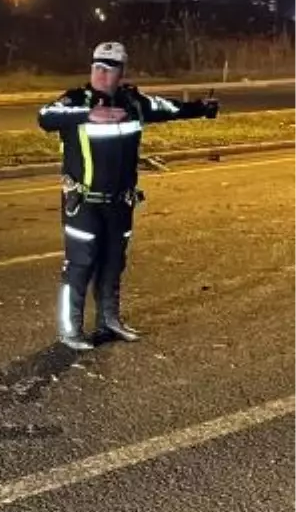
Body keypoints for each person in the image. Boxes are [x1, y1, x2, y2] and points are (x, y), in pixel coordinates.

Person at [37, 42, 220, 351]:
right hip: (84, 203)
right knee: (80, 265)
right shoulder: (75, 100)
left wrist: (202, 108)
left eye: (107, 69)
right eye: (96, 66)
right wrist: (88, 114)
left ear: (121, 72)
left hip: (121, 202)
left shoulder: (133, 102)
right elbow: (45, 116)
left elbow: (168, 108)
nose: (99, 73)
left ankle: (109, 320)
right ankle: (71, 331)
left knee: (113, 263)